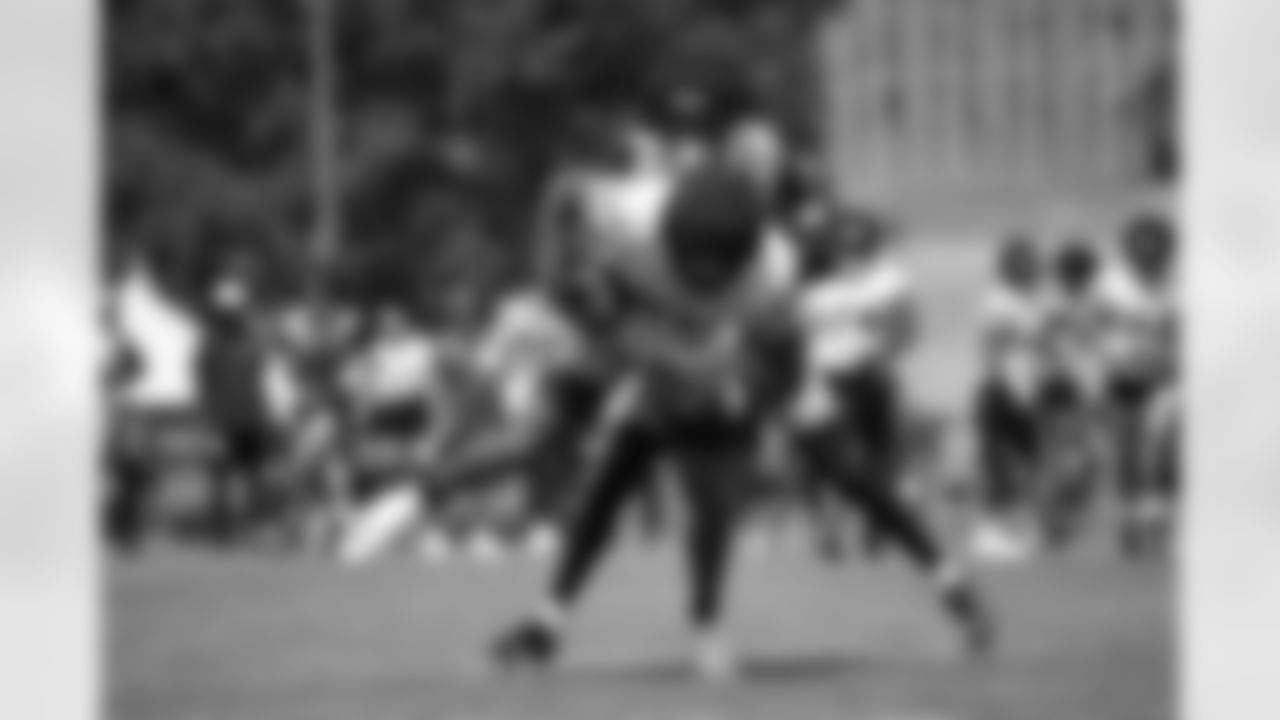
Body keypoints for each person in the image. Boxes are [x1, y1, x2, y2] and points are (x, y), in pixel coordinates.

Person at [491, 143, 803, 680]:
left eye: (715, 271)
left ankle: (707, 625)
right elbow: (563, 186)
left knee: (710, 491)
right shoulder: (628, 214)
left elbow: (785, 365)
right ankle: (548, 618)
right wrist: (554, 281)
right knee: (547, 444)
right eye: (689, 262)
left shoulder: (773, 276)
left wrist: (755, 409)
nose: (700, 279)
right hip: (619, 323)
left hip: (698, 356)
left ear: (746, 256)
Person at [784, 207, 994, 646]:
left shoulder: (880, 279)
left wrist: (877, 352)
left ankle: (934, 570)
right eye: (823, 238)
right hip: (815, 389)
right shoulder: (790, 286)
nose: (832, 245)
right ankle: (834, 523)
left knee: (872, 477)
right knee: (848, 475)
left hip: (858, 383)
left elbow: (905, 327)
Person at [1099, 215, 1179, 557]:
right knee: (1127, 453)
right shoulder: (1113, 284)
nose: (1148, 255)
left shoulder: (1178, 285)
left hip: (1165, 379)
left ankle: (1161, 516)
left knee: (1166, 448)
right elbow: (1096, 328)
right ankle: (1129, 519)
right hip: (1124, 377)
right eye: (1141, 247)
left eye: (1155, 247)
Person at [970, 235, 1052, 563]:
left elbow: (1042, 346)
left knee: (1030, 461)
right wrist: (1006, 387)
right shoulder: (998, 300)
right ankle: (992, 531)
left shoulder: (1032, 300)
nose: (1037, 268)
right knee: (999, 462)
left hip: (1029, 388)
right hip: (1003, 389)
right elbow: (992, 349)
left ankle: (1023, 528)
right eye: (1029, 262)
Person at [1038, 239, 1113, 548]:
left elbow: (1103, 346)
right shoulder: (1056, 305)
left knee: (1082, 459)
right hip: (1064, 387)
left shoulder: (1097, 304)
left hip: (1081, 387)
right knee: (1070, 458)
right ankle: (1055, 521)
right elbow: (1045, 344)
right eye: (1074, 273)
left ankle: (1059, 518)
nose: (1078, 278)